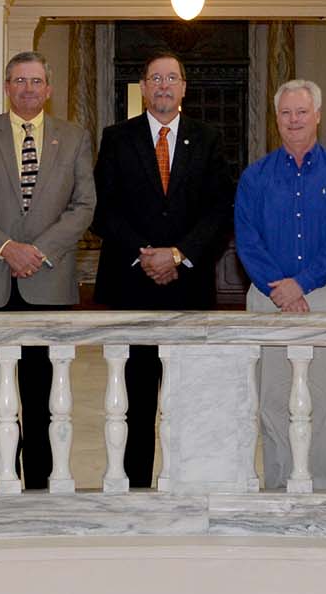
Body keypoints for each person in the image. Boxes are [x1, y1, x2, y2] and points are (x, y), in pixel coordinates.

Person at [0, 52, 97, 490]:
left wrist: (39, 251)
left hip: (48, 284)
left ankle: (39, 487)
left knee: (44, 400)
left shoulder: (74, 138)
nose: (28, 88)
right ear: (6, 86)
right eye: (19, 80)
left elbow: (84, 205)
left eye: (36, 81)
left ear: (49, 89)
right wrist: (6, 248)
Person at [91, 51, 235, 488]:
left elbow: (218, 210)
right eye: (156, 78)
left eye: (172, 78)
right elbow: (103, 209)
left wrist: (176, 254)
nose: (164, 86)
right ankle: (136, 486)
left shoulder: (208, 138)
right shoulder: (118, 138)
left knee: (188, 396)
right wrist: (145, 253)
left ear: (184, 87)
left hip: (188, 287)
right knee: (135, 399)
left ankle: (185, 482)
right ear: (144, 87)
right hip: (131, 286)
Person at [235, 79, 326, 492]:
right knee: (272, 402)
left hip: (323, 298)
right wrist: (281, 288)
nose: (294, 120)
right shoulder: (255, 177)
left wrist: (302, 284)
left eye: (301, 112)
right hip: (267, 298)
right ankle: (276, 486)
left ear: (318, 115)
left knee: (322, 402)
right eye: (286, 113)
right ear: (277, 119)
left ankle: (321, 487)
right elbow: (247, 240)